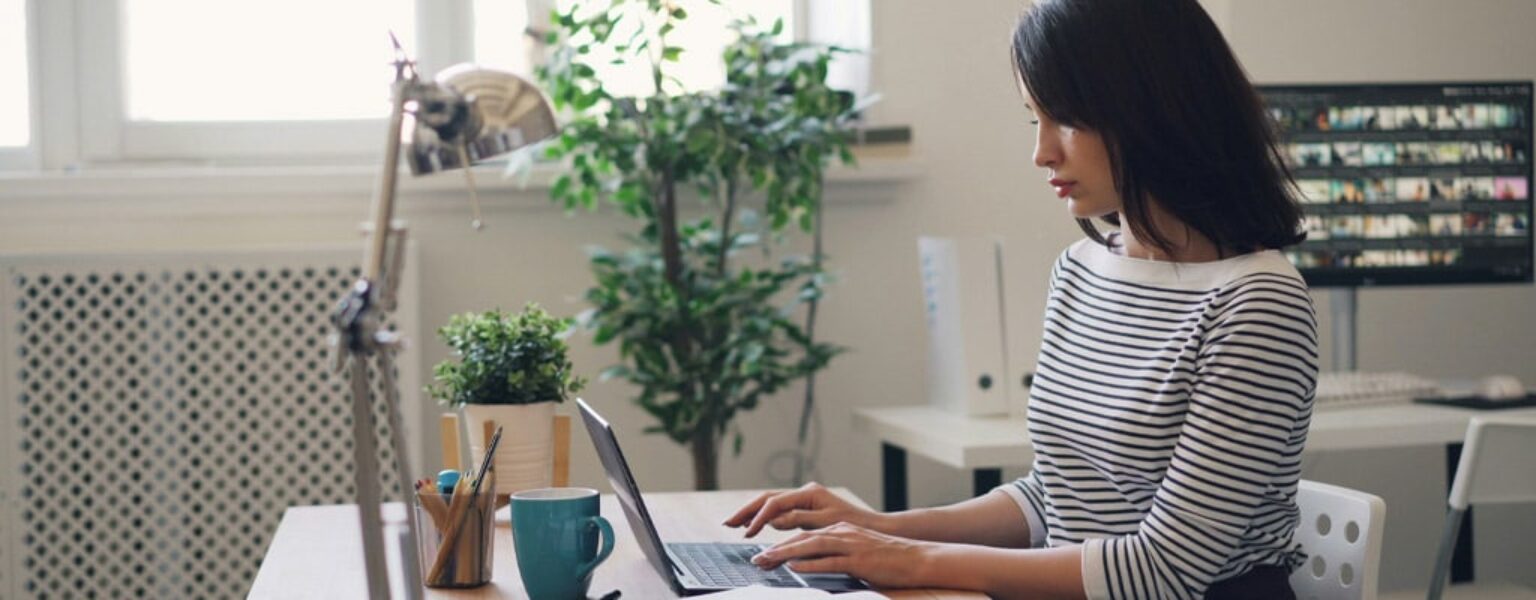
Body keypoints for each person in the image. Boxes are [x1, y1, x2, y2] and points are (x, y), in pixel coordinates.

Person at [725, 1, 1319, 598]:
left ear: (1153, 110)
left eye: (1065, 119)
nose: (1042, 153)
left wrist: (910, 559)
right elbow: (1051, 497)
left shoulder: (1258, 301)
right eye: (1033, 119)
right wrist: (874, 528)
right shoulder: (1082, 270)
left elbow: (1163, 569)